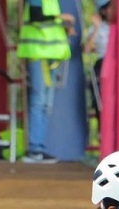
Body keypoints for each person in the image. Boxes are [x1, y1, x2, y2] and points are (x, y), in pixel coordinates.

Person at [16, 0, 75, 163]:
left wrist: (62, 26)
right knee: (39, 101)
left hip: (50, 53)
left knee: (45, 104)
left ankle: (38, 147)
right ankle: (34, 148)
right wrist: (61, 18)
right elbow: (36, 16)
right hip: (39, 53)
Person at [83, 0, 110, 136]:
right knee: (100, 101)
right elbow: (86, 48)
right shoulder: (98, 28)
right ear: (103, 11)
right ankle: (102, 135)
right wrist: (97, 27)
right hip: (103, 64)